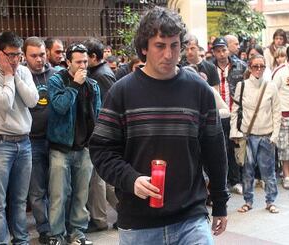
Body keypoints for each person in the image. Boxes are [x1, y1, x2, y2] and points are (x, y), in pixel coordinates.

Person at [89, 7, 229, 244]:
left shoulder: (198, 90)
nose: (168, 54)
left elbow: (215, 150)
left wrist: (220, 202)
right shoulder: (121, 92)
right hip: (138, 223)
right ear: (144, 47)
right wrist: (131, 179)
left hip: (190, 218)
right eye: (160, 46)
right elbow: (101, 150)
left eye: (174, 45)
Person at [0, 31, 39, 244]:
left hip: (24, 141)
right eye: (10, 55)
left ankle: (21, 241)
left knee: (20, 200)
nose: (14, 60)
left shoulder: (21, 70)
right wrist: (8, 75)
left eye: (18, 55)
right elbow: (5, 102)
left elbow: (32, 101)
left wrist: (15, 75)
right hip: (0, 143)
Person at [47, 43, 101, 245]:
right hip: (61, 147)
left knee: (81, 195)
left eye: (86, 61)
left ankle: (77, 234)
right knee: (59, 195)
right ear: (68, 62)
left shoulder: (93, 85)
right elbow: (60, 107)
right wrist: (75, 85)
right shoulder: (56, 81)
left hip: (84, 147)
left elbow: (97, 115)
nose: (83, 66)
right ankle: (56, 235)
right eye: (78, 62)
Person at [230, 54, 281, 214]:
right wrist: (235, 132)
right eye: (255, 66)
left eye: (262, 66)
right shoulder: (242, 86)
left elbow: (276, 112)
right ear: (250, 67)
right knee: (247, 170)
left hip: (266, 135)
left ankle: (270, 201)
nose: (258, 69)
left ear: (265, 68)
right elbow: (235, 110)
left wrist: (274, 136)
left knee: (268, 171)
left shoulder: (271, 86)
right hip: (248, 135)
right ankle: (248, 201)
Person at [23, 36, 56, 244]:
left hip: (55, 140)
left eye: (42, 54)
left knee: (58, 189)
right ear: (25, 56)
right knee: (36, 191)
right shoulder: (21, 76)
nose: (39, 59)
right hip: (31, 141)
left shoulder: (57, 75)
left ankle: (58, 226)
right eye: (34, 55)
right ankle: (44, 229)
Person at [83, 38, 117, 233]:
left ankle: (99, 219)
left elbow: (105, 107)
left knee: (100, 180)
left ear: (93, 57)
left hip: (101, 135)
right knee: (103, 180)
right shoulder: (99, 73)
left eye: (84, 58)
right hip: (101, 134)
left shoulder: (101, 76)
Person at [212, 36, 247, 195]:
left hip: (235, 114)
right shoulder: (209, 67)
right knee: (220, 148)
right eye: (218, 51)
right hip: (218, 114)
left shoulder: (240, 66)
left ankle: (237, 180)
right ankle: (223, 181)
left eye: (224, 50)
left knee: (235, 148)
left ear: (228, 50)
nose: (221, 54)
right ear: (214, 52)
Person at [273, 46, 289, 189]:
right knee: (285, 148)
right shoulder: (280, 72)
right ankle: (286, 175)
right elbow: (272, 92)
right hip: (285, 115)